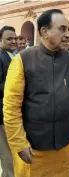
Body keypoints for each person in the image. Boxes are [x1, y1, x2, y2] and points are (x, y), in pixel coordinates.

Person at [3, 9, 69, 177]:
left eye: (68, 29)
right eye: (62, 29)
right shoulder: (22, 60)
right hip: (33, 147)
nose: (67, 34)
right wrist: (18, 143)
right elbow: (11, 107)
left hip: (64, 143)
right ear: (44, 32)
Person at [0, 25, 16, 177]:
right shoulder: (0, 57)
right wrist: (17, 83)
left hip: (14, 114)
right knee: (7, 156)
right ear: (0, 41)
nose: (13, 41)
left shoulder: (14, 56)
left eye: (14, 38)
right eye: (9, 38)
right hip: (3, 115)